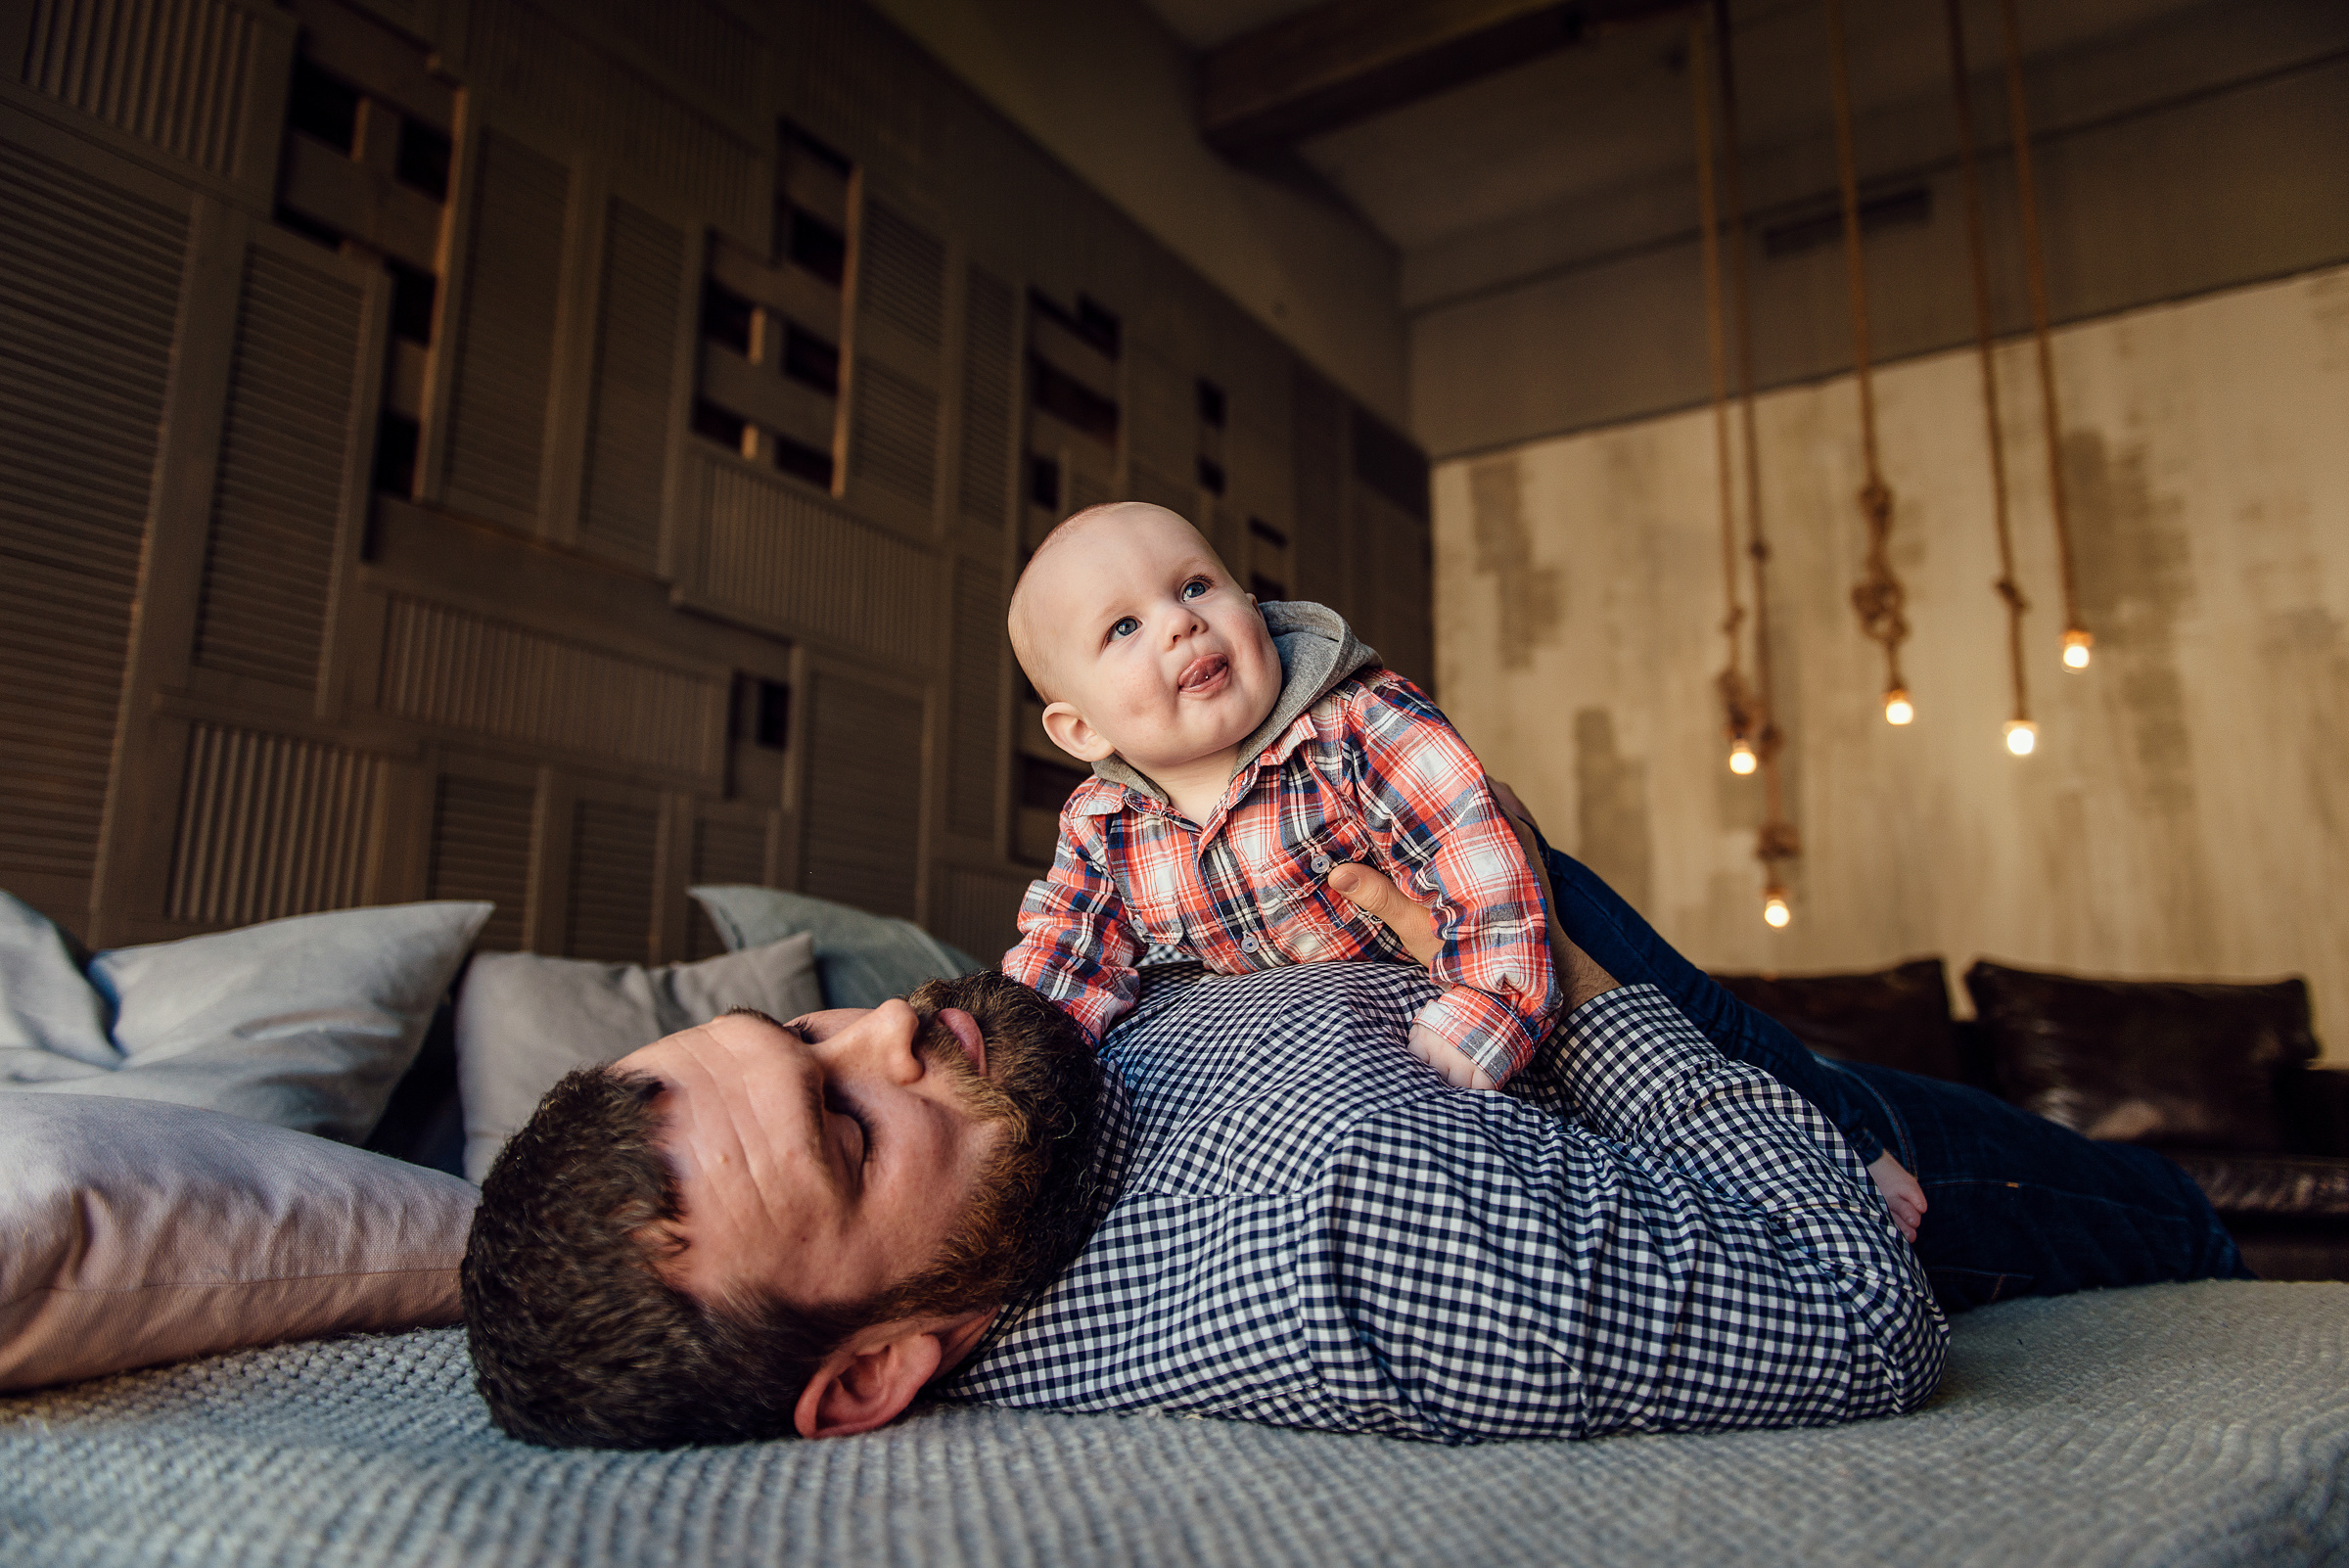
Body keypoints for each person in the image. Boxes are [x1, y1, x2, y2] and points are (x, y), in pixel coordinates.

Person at [460, 845, 2247, 1451]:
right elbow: (1863, 1318)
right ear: (873, 1377)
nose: (891, 1025)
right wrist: (1568, 964)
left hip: (1533, 1001)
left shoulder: (1022, 1144)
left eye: (804, 1027)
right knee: (2189, 1219)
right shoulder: (1341, 1227)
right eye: (850, 1120)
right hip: (1849, 1129)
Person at [999, 500, 1925, 1234]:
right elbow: (1066, 952)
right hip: (1412, 983)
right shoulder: (1102, 824)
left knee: (1703, 1023)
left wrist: (1486, 1009)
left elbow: (1476, 858)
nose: (1178, 626)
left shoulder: (1359, 720)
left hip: (1536, 917)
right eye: (1123, 628)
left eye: (1196, 587)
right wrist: (1021, 1076)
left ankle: (1845, 1144)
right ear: (1080, 729)